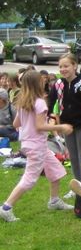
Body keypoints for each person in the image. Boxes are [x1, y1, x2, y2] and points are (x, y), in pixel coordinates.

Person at [0, 71, 74, 222]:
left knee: (56, 170)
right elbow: (40, 126)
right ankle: (6, 207)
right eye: (41, 80)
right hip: (37, 146)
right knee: (29, 178)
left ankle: (54, 201)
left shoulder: (23, 102)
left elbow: (16, 124)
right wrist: (61, 127)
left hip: (31, 144)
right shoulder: (39, 102)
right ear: (37, 83)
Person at [52, 53, 81, 182]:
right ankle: (77, 183)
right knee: (72, 156)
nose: (63, 69)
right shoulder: (58, 84)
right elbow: (51, 101)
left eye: (66, 66)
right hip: (67, 126)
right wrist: (48, 114)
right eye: (60, 67)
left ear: (74, 66)